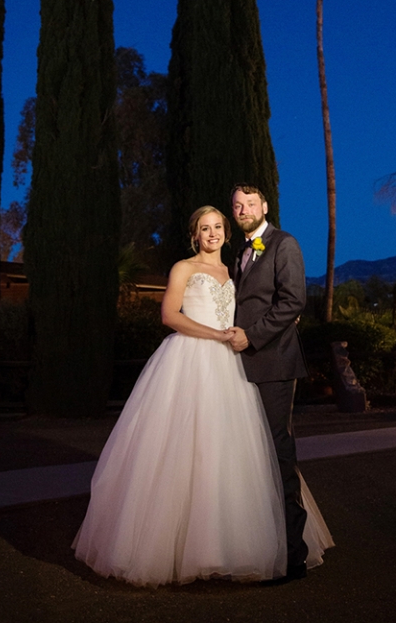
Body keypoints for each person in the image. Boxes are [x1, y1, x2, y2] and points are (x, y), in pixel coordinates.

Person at [73, 205, 330, 587]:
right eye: (204, 228)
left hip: (232, 367)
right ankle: (174, 545)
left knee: (231, 454)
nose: (211, 234)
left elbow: (261, 304)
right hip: (190, 360)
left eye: (217, 227)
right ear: (194, 235)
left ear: (227, 233)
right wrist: (216, 336)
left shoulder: (235, 272)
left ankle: (232, 545)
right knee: (182, 450)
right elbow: (169, 315)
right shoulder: (184, 268)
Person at [230, 183, 327, 582]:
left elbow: (293, 301)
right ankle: (259, 544)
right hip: (239, 367)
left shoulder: (283, 243)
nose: (243, 210)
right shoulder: (239, 253)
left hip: (274, 364)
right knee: (250, 458)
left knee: (278, 453)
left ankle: (293, 555)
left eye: (250, 203)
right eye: (237, 205)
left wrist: (251, 336)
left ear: (264, 206)